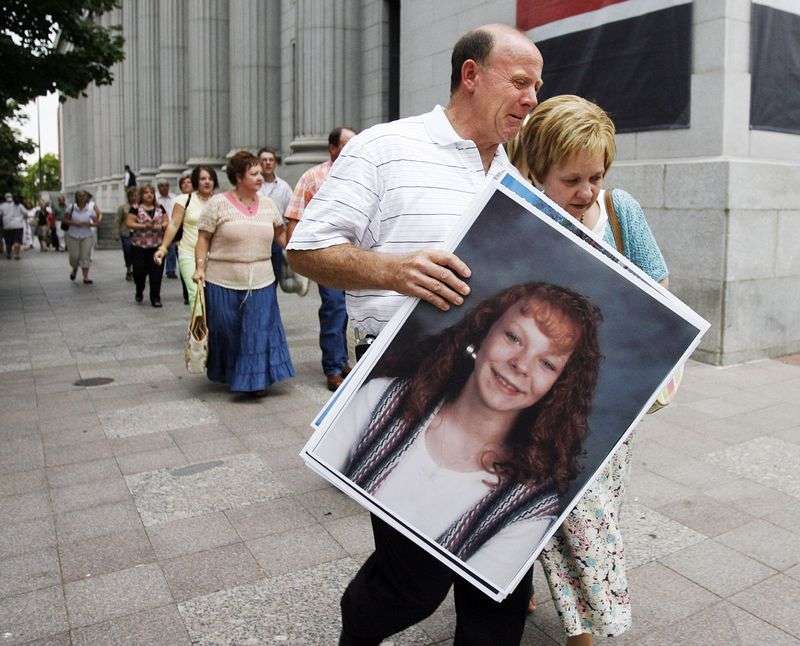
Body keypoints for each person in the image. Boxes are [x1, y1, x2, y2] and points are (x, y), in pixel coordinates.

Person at [287, 23, 544, 645]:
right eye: (520, 82)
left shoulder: (516, 176)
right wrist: (393, 271)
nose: (532, 98)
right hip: (405, 398)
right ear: (470, 75)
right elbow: (306, 247)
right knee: (412, 580)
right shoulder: (385, 149)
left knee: (499, 580)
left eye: (538, 85)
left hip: (502, 409)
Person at [509, 95, 669, 644]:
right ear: (537, 170)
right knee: (581, 513)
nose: (585, 193)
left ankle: (521, 579)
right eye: (570, 179)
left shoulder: (621, 210)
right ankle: (593, 630)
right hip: (540, 398)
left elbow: (658, 288)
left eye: (595, 177)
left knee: (591, 506)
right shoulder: (517, 213)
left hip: (612, 397)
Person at [320, 282, 601, 586]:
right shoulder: (381, 400)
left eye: (547, 363)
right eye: (513, 337)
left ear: (558, 387)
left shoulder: (530, 507)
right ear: (483, 333)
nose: (520, 365)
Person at [192, 150, 294, 394]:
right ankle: (231, 373)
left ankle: (254, 383)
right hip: (221, 280)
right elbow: (203, 237)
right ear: (239, 177)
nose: (261, 177)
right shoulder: (218, 203)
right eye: (254, 173)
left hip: (262, 279)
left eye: (261, 173)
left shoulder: (269, 205)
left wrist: (297, 249)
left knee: (257, 330)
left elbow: (281, 235)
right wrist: (199, 267)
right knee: (227, 331)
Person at [285, 126, 356, 392]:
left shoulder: (361, 176)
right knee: (335, 308)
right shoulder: (313, 177)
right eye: (348, 144)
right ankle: (333, 368)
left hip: (358, 255)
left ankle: (341, 359)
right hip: (327, 254)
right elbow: (294, 216)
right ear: (333, 148)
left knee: (350, 311)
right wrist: (296, 259)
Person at [154, 165, 218, 309]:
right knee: (195, 293)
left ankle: (212, 328)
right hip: (188, 253)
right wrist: (163, 248)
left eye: (210, 178)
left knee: (213, 297)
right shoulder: (184, 200)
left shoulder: (219, 201)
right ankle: (199, 330)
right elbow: (174, 224)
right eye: (203, 179)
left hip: (214, 256)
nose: (207, 182)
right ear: (196, 181)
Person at [257, 146, 294, 286]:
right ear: (258, 163)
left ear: (275, 163)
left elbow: (291, 215)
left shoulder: (283, 187)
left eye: (271, 160)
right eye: (264, 160)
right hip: (257, 239)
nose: (267, 163)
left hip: (276, 239)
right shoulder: (253, 185)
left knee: (273, 280)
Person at [125, 185, 168, 306]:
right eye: (146, 193)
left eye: (151, 193)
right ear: (141, 195)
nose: (149, 195)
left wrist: (162, 225)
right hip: (140, 246)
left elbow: (166, 221)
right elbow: (129, 223)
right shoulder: (135, 208)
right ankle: (139, 289)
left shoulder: (160, 208)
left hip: (157, 246)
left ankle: (155, 297)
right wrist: (144, 226)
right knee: (139, 272)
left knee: (157, 273)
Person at [63, 190, 101, 282]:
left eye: (84, 196)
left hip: (86, 236)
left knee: (85, 256)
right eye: (79, 196)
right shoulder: (71, 208)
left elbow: (97, 223)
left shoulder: (90, 209)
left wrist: (88, 223)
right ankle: (74, 269)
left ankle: (85, 277)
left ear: (86, 197)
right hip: (72, 235)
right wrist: (74, 223)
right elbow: (64, 220)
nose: (82, 197)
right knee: (74, 257)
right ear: (76, 197)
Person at [156, 180, 179, 279]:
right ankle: (157, 268)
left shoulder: (174, 197)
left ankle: (170, 270)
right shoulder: (155, 198)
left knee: (172, 250)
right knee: (160, 248)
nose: (164, 188)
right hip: (158, 228)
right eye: (161, 186)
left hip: (172, 226)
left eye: (166, 185)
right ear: (158, 187)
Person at [115, 187, 137, 281]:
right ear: (128, 197)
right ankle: (129, 269)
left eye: (136, 195)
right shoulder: (123, 207)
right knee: (128, 251)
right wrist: (116, 233)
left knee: (137, 252)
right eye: (132, 196)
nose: (134, 197)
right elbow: (117, 221)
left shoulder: (140, 207)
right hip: (126, 233)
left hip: (138, 233)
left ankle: (136, 270)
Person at [0, 193, 25, 260]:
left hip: (7, 226)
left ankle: (8, 253)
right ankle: (16, 254)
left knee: (8, 241)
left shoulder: (2, 206)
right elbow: (26, 213)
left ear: (5, 198)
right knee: (17, 240)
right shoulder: (19, 205)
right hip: (18, 226)